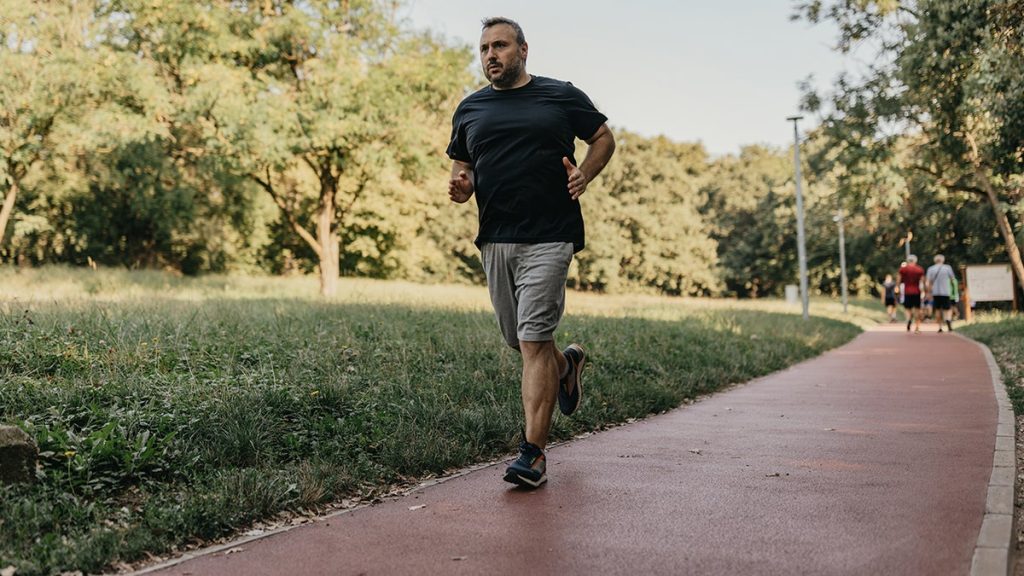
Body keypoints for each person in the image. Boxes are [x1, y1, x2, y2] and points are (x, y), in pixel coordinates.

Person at [446, 17, 616, 488]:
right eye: (484, 48)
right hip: (496, 237)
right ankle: (566, 366)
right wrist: (463, 186)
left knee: (534, 338)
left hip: (550, 234)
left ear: (523, 49)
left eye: (500, 45)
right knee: (519, 339)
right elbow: (463, 166)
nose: (491, 55)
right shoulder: (470, 108)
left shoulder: (560, 95)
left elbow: (603, 138)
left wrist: (585, 173)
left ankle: (533, 455)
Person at [926, 254, 957, 332]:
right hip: (946, 292)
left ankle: (940, 326)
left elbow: (928, 282)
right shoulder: (947, 268)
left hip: (935, 292)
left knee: (937, 309)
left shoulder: (931, 269)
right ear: (943, 260)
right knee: (947, 308)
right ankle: (948, 319)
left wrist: (929, 292)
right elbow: (953, 279)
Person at [898, 255, 926, 333]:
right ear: (915, 261)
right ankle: (917, 326)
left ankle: (909, 319)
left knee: (907, 308)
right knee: (917, 309)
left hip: (907, 291)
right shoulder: (919, 269)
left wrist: (897, 288)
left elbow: (899, 279)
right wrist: (924, 291)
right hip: (917, 291)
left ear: (908, 260)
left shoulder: (903, 269)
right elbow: (923, 281)